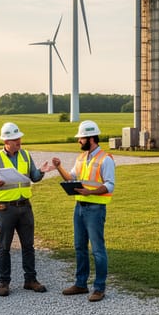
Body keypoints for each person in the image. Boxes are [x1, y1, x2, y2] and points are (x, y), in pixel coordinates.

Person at [51, 119, 115, 302]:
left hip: (95, 209)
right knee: (79, 247)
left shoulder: (106, 159)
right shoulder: (81, 158)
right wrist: (58, 167)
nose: (79, 141)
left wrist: (90, 192)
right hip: (79, 208)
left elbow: (110, 185)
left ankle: (99, 288)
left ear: (91, 138)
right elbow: (71, 177)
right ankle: (80, 284)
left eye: (81, 138)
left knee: (97, 249)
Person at [0, 122, 48, 297]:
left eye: (19, 138)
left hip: (25, 207)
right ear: (6, 141)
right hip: (6, 209)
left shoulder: (26, 156)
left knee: (28, 246)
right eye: (14, 139)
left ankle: (30, 280)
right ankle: (4, 282)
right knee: (4, 247)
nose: (19, 141)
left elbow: (34, 177)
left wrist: (41, 171)